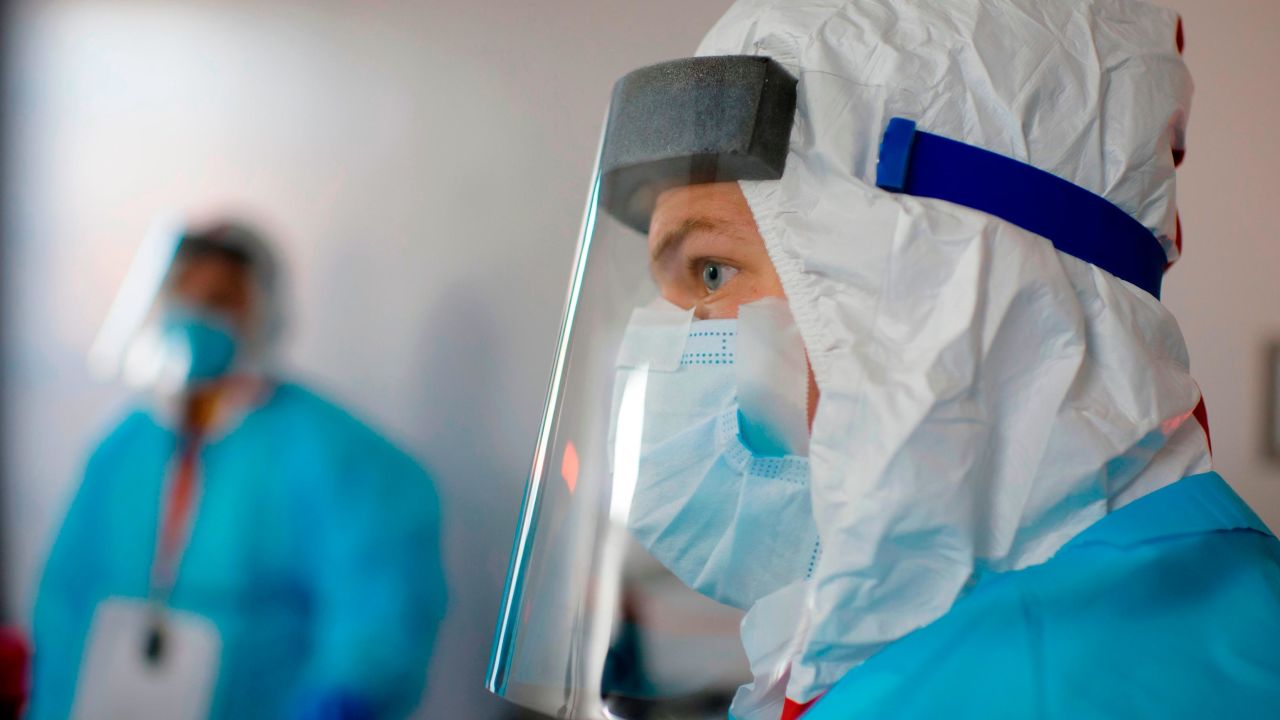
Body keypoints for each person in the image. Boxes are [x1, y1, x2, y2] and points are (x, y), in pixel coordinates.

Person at [488, 1, 1280, 718]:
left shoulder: (982, 692)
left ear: (936, 288)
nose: (655, 349)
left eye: (712, 272)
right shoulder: (1217, 607)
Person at [30, 220, 446, 720]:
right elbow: (64, 599)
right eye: (184, 294)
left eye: (222, 299)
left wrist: (343, 696)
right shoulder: (124, 448)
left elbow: (380, 612)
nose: (198, 315)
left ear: (261, 313)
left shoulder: (329, 452)